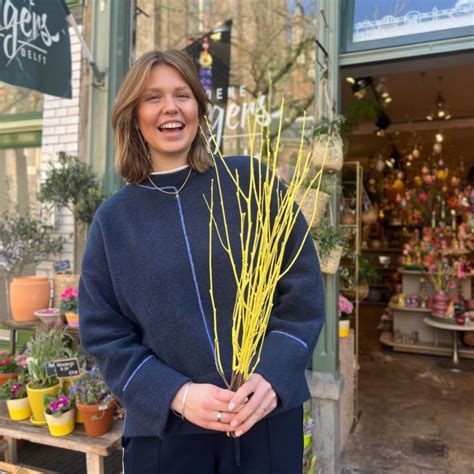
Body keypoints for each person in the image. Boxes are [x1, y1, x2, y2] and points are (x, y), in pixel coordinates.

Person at [79, 49, 325, 474]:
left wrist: (273, 374)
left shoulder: (250, 183)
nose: (170, 107)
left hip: (262, 424)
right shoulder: (113, 220)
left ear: (199, 107)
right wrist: (178, 393)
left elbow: (301, 289)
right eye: (153, 97)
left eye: (182, 94)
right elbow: (104, 333)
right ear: (133, 115)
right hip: (167, 439)